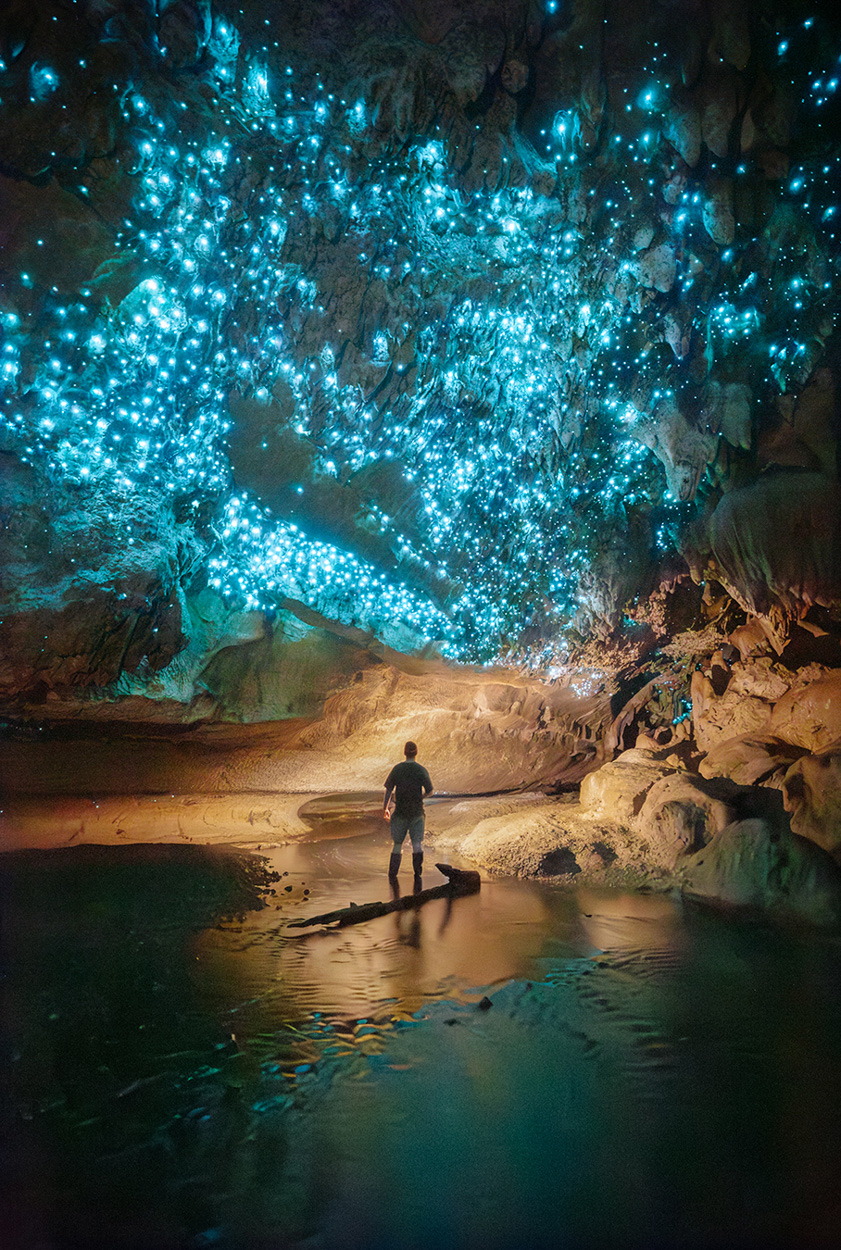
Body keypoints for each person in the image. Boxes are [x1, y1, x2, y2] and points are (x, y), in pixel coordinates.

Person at [383, 741, 434, 880]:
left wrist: (386, 808)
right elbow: (430, 791)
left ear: (404, 752)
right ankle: (417, 875)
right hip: (417, 812)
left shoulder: (397, 769)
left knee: (397, 844)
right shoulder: (421, 770)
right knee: (417, 844)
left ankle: (392, 876)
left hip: (400, 812)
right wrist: (420, 797)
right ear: (416, 753)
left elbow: (388, 790)